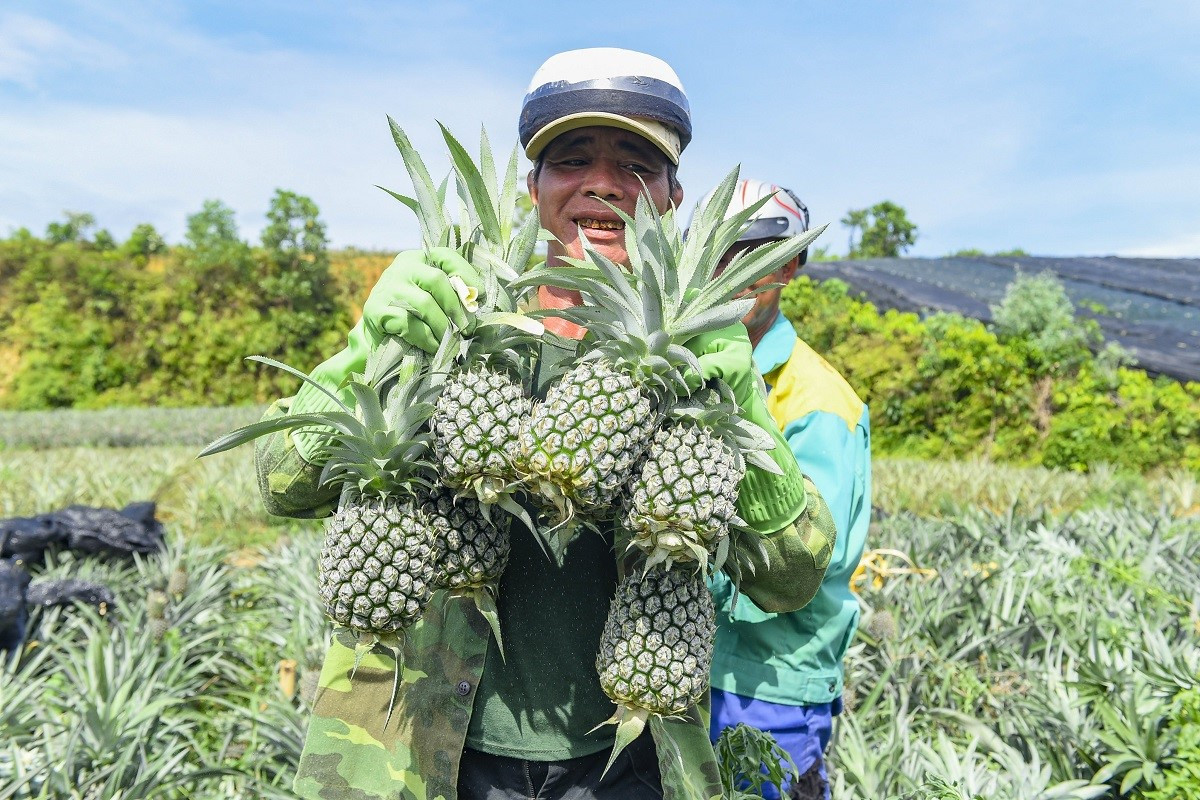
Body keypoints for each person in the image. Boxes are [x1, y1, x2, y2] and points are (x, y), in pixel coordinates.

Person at [255, 48, 839, 800]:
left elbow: (791, 581)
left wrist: (742, 408)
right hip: (417, 749)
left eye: (636, 164)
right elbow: (279, 486)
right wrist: (368, 350)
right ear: (533, 188)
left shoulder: (692, 362)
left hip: (630, 760)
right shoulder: (452, 323)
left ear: (672, 197)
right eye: (572, 159)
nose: (603, 182)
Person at [692, 180, 871, 800]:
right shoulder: (686, 367)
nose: (734, 271)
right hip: (683, 664)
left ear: (790, 265)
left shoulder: (818, 400)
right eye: (718, 252)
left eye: (756, 254)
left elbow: (814, 554)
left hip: (770, 683)